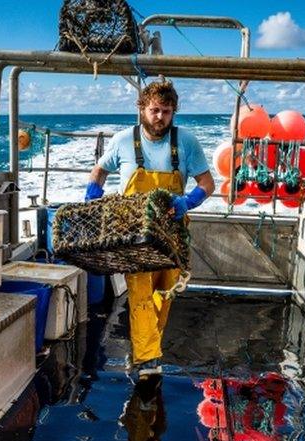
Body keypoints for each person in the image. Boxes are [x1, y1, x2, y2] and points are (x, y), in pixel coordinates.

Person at [84, 79, 215, 376]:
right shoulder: (122, 141)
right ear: (142, 109)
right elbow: (99, 171)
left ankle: (144, 347)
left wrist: (187, 202)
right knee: (140, 294)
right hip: (134, 236)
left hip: (172, 235)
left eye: (167, 112)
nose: (160, 118)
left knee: (164, 295)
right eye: (155, 110)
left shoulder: (186, 142)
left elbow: (207, 184)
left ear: (174, 112)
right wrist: (93, 193)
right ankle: (148, 363)